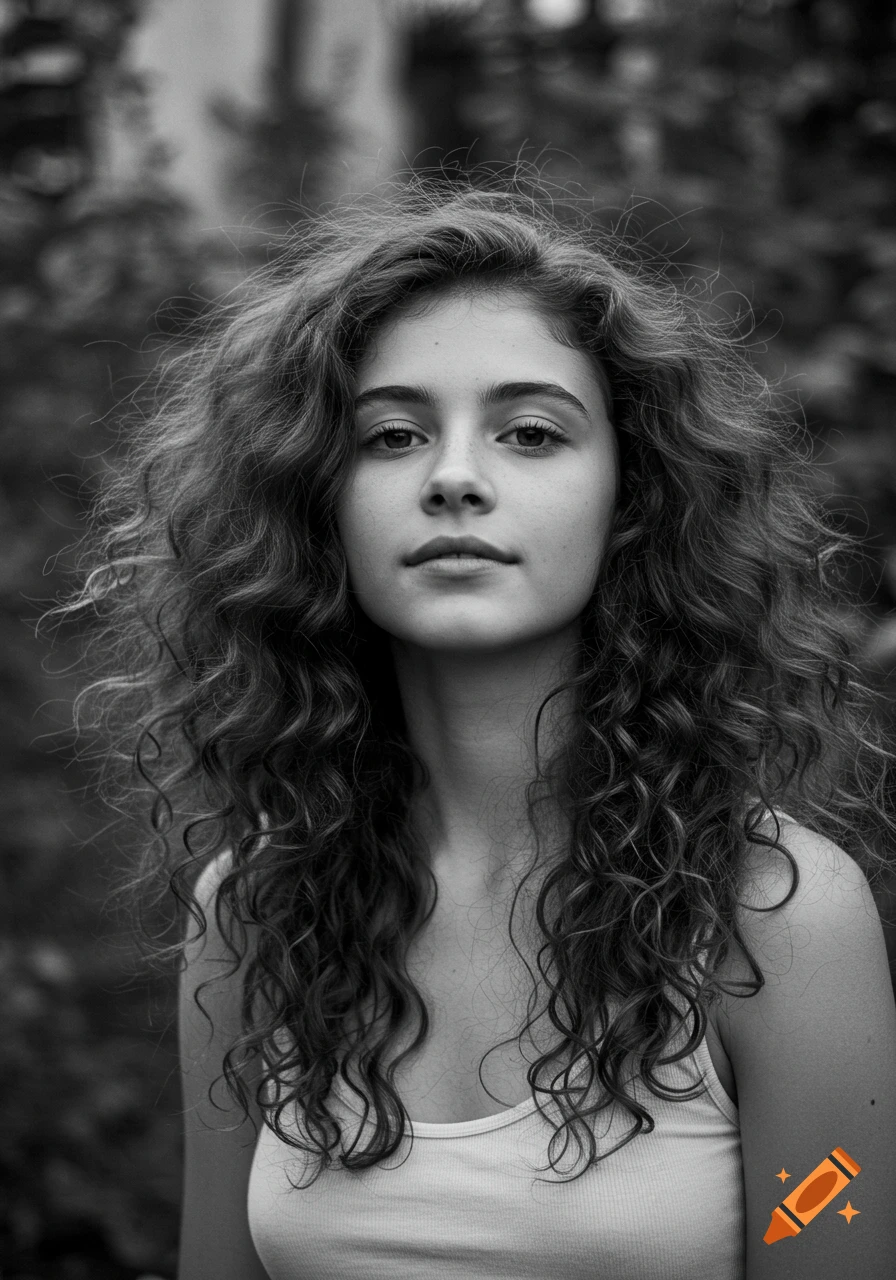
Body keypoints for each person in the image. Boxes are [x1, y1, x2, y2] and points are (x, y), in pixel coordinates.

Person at [64, 178, 896, 1279]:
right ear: (320, 502)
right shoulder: (257, 911)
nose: (455, 478)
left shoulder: (774, 911)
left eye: (530, 432)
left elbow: (824, 1229)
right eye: (394, 434)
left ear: (629, 497)